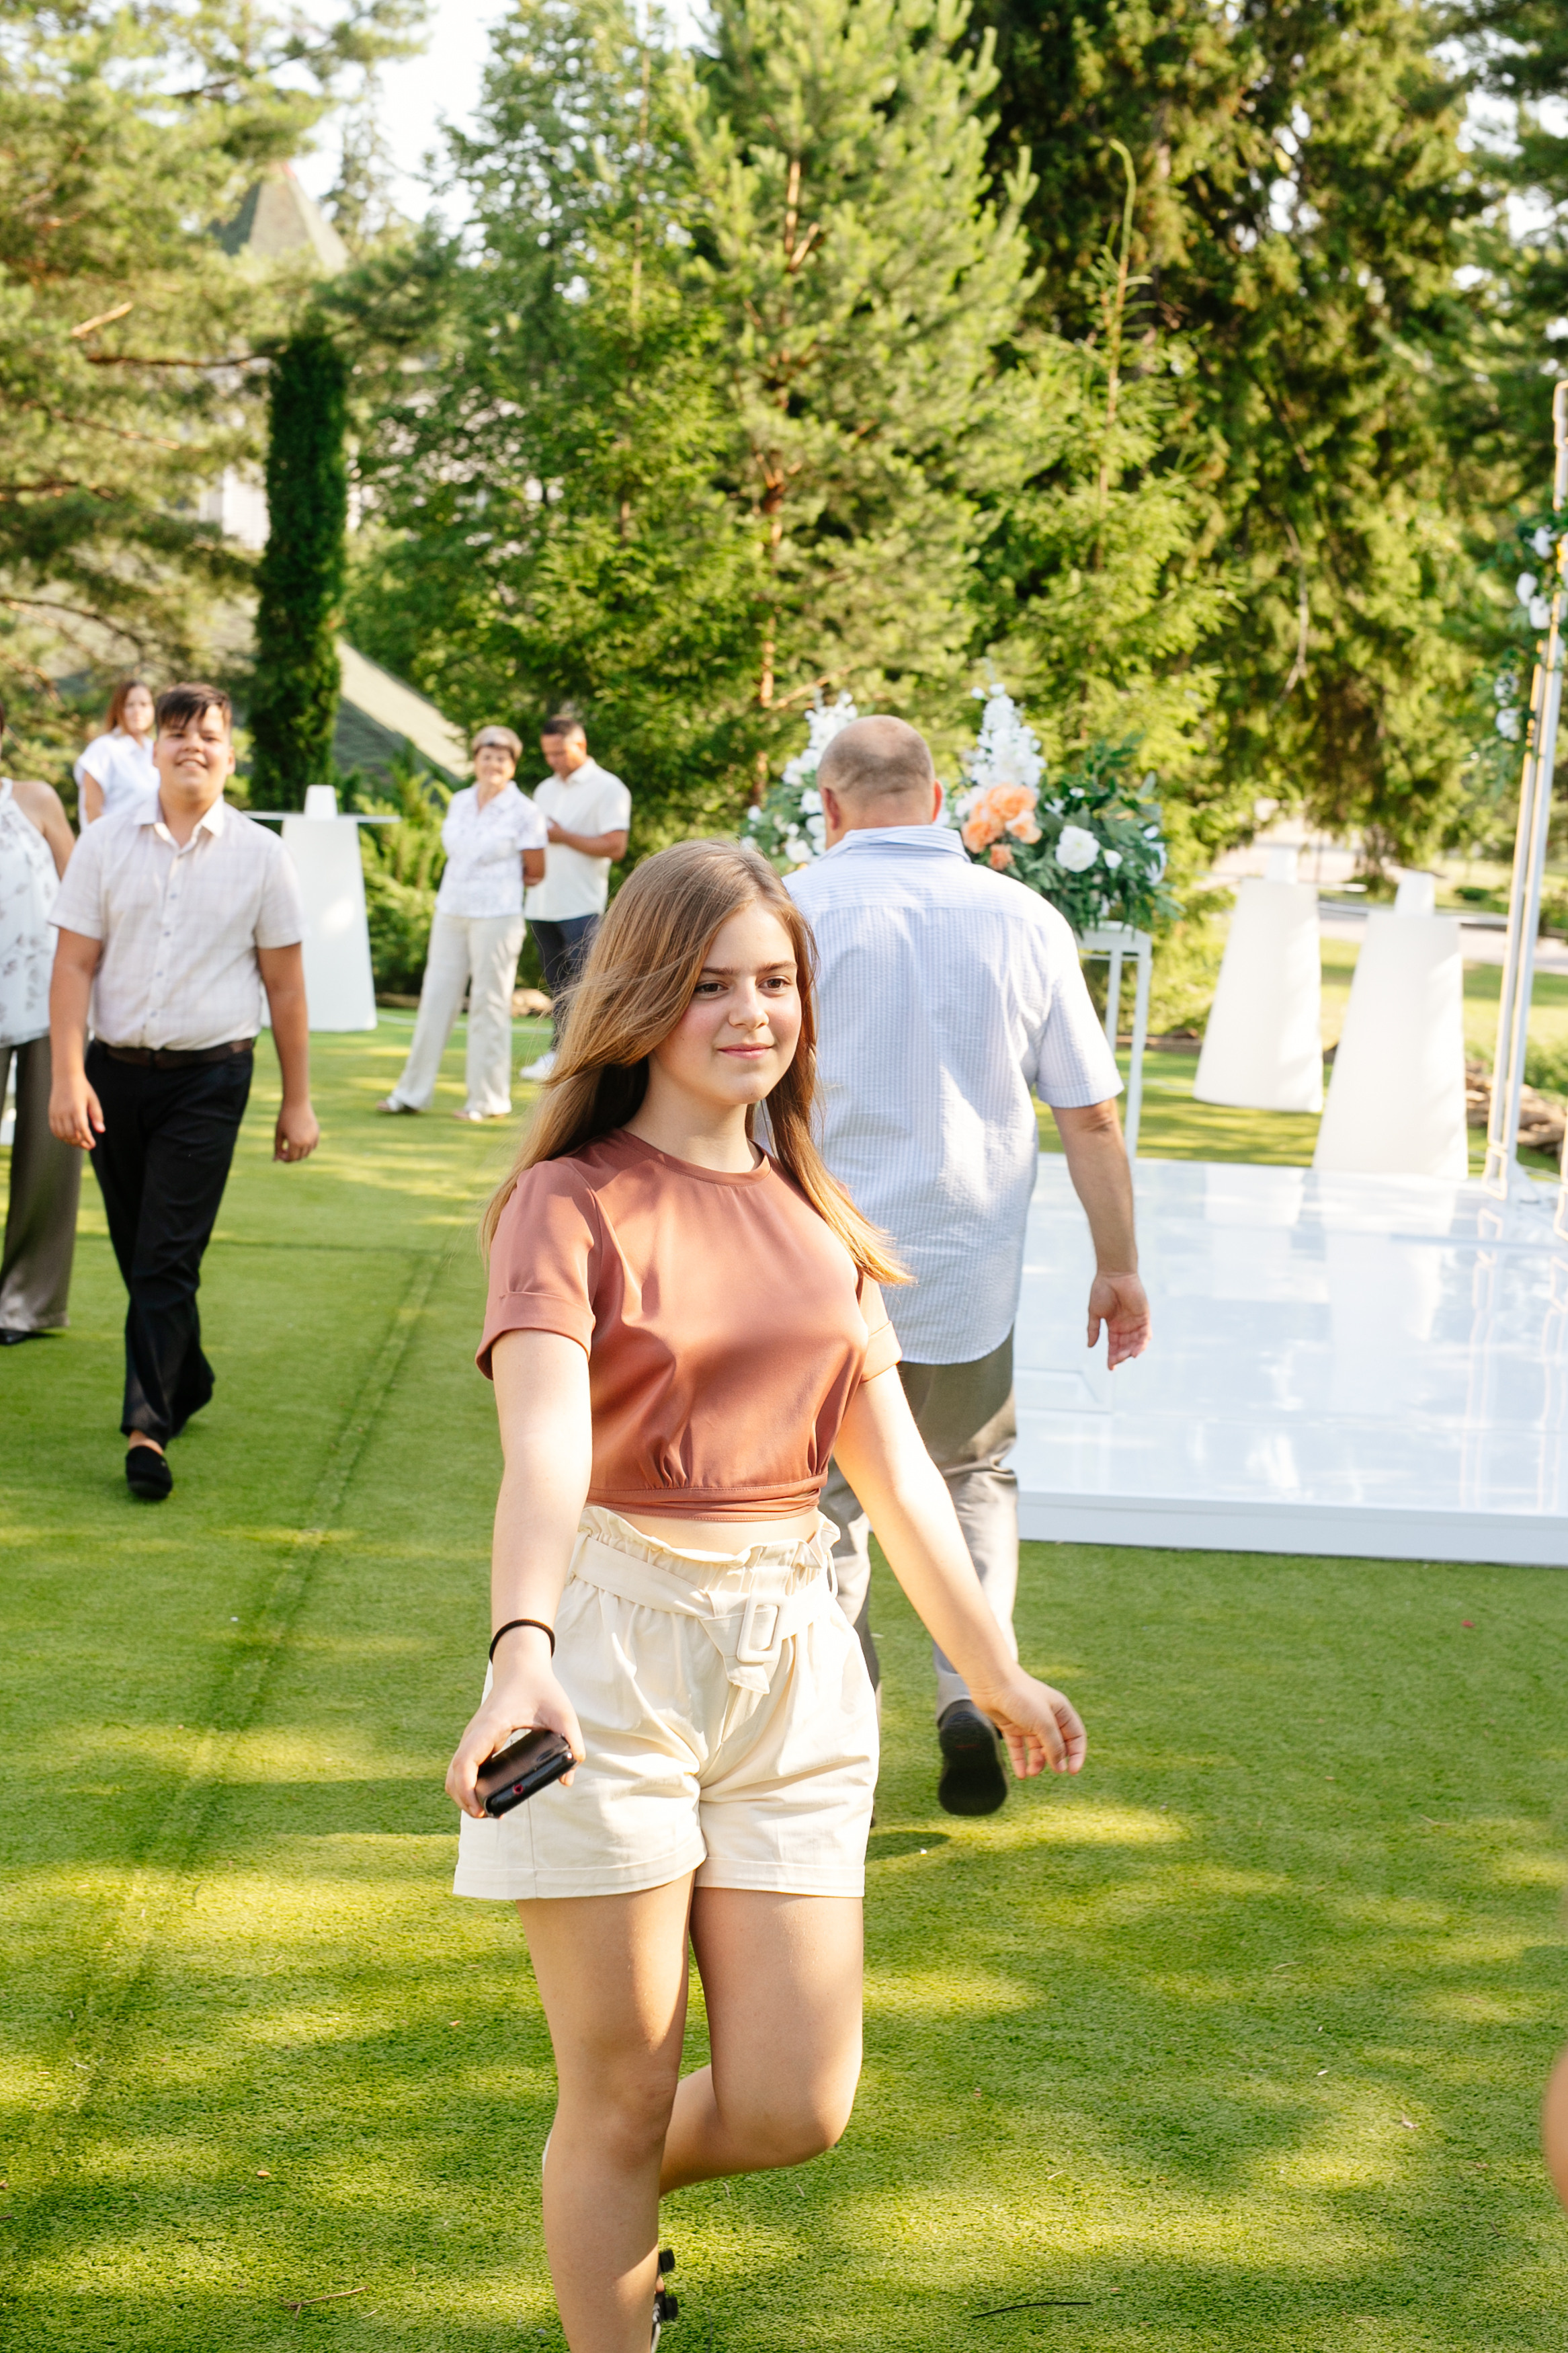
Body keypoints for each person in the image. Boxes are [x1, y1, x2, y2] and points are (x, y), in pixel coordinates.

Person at [446, 838, 1087, 2353]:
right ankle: (608, 2257)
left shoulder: (816, 1210)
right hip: (609, 1652)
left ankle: (596, 2198)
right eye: (711, 985)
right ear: (640, 998)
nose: (752, 1013)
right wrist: (520, 1650)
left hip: (797, 1655)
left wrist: (990, 1666)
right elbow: (544, 1450)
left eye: (777, 981)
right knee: (616, 2092)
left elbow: (898, 1475)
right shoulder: (565, 1203)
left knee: (796, 2101)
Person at [786, 715, 1151, 1819]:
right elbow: (1089, 1115)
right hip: (965, 1267)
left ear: (830, 805)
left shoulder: (790, 911)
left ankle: (845, 1726)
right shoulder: (1023, 917)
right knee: (970, 1474)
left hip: (820, 1263)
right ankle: (970, 1692)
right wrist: (1119, 1267)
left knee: (828, 1501)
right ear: (940, 799)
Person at [47, 682, 319, 1501]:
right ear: (154, 750)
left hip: (210, 1077)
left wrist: (298, 1099)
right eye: (176, 733)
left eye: (208, 734)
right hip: (112, 1075)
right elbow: (74, 964)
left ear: (230, 754)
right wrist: (67, 1074)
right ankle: (186, 1373)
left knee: (166, 1254)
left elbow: (285, 986)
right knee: (141, 1251)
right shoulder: (103, 842)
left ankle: (147, 1428)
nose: (192, 745)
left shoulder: (263, 854)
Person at [376, 725, 548, 1122]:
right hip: (451, 911)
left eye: (502, 758)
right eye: (487, 757)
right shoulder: (460, 801)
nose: (493, 765)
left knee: (490, 1004)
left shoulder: (525, 811)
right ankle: (411, 1094)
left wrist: (496, 887)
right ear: (475, 761)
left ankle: (488, 1100)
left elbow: (536, 870)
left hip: (498, 916)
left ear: (513, 765)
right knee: (435, 999)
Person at [0, 715, 81, 1344]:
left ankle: (24, 1305)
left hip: (48, 1004)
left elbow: (84, 894)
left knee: (48, 1157)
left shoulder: (36, 799)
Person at [519, 709, 630, 1081]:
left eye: (560, 753)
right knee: (556, 983)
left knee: (584, 984)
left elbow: (615, 846)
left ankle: (587, 1058)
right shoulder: (545, 789)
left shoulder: (609, 788)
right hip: (541, 901)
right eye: (547, 754)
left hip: (582, 903)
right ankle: (559, 1054)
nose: (553, 761)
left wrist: (563, 835)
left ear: (581, 745)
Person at [75, 679, 157, 826]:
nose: (138, 711)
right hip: (112, 839)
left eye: (144, 704)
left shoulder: (155, 749)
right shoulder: (104, 748)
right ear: (118, 710)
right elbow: (92, 809)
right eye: (130, 705)